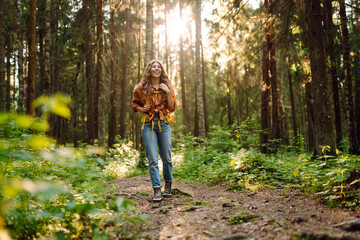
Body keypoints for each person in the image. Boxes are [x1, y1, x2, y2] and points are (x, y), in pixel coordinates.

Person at [131, 60, 176, 202]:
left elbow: (172, 107)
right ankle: (157, 189)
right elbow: (134, 103)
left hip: (164, 123)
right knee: (152, 159)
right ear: (149, 70)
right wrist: (140, 108)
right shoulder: (141, 87)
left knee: (167, 158)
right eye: (153, 66)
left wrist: (167, 91)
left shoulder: (167, 86)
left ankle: (168, 185)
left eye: (159, 67)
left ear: (162, 70)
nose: (156, 68)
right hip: (148, 125)